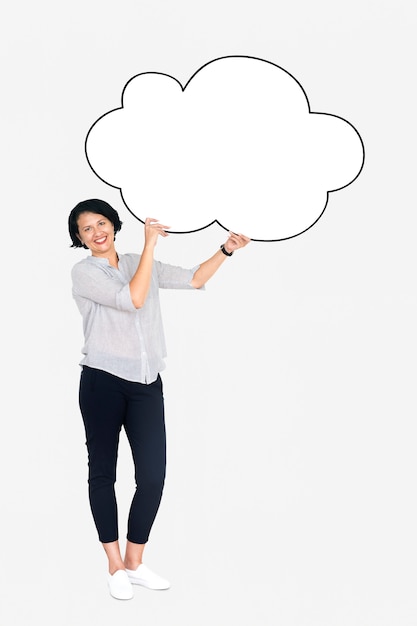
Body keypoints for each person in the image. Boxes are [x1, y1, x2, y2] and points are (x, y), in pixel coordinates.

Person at [68, 198, 250, 600]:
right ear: (79, 238)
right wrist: (152, 245)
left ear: (114, 225)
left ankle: (134, 562)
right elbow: (132, 299)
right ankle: (114, 565)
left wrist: (225, 250)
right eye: (87, 229)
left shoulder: (136, 260)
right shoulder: (84, 273)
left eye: (102, 223)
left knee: (152, 476)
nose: (97, 232)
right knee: (103, 474)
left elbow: (194, 279)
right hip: (102, 381)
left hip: (147, 382)